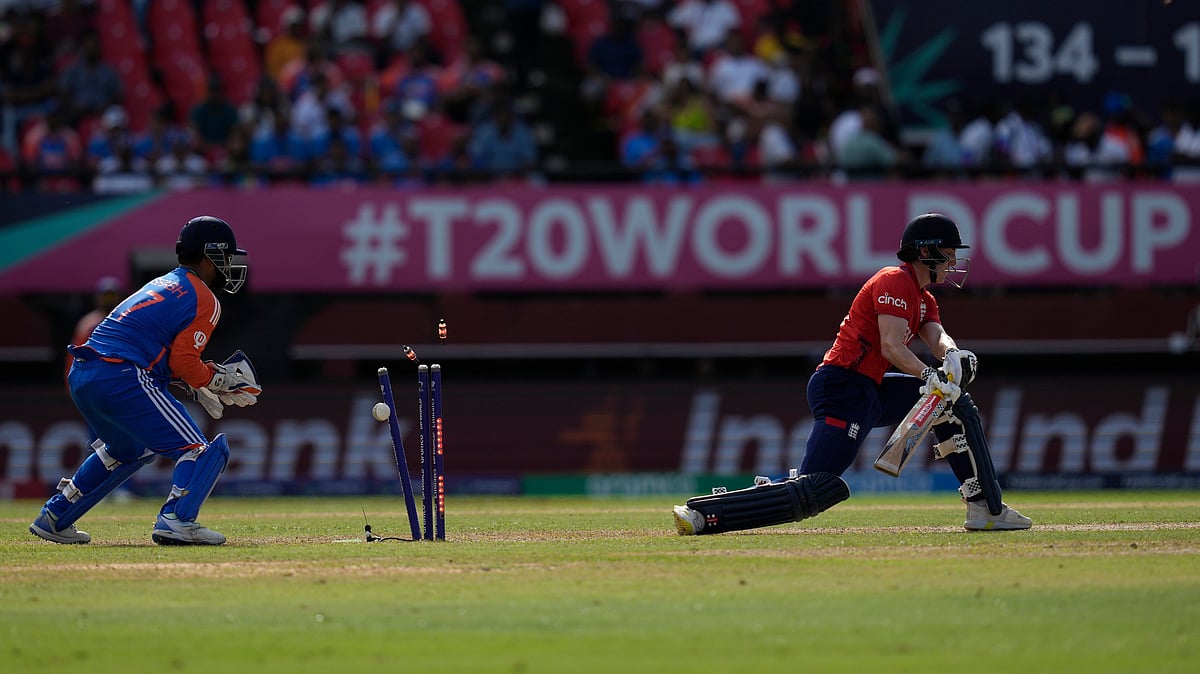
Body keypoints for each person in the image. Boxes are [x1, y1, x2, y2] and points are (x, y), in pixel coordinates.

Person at [672, 213, 1032, 535]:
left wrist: (952, 355)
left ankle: (986, 507)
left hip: (870, 390)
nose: (953, 261)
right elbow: (891, 346)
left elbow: (936, 336)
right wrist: (929, 375)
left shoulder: (924, 299)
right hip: (843, 386)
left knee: (953, 403)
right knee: (816, 486)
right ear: (925, 251)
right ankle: (707, 513)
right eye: (948, 252)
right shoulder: (894, 280)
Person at [29, 216, 262, 546]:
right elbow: (182, 361)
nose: (227, 266)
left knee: (129, 450)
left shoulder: (164, 282)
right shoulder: (206, 299)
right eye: (224, 257)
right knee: (197, 449)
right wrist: (212, 379)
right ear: (209, 256)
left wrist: (195, 381)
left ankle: (55, 515)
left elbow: (161, 356)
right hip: (122, 373)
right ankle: (177, 519)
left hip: (85, 374)